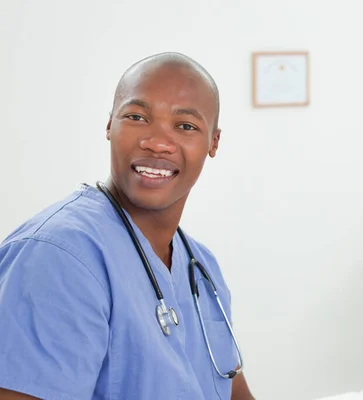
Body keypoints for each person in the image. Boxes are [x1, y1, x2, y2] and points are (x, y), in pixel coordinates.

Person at [0, 52, 255, 400]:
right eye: (137, 117)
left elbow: (231, 388)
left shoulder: (201, 267)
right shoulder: (57, 258)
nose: (158, 142)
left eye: (185, 126)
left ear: (213, 142)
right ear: (109, 126)